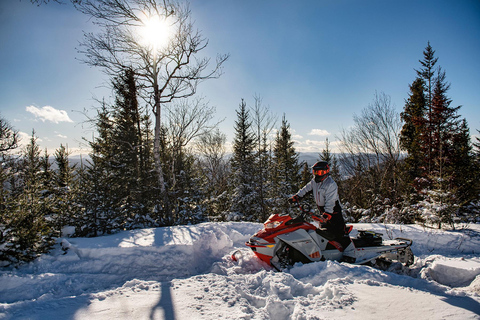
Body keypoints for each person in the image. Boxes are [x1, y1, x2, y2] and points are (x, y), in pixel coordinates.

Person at [289, 160, 347, 240]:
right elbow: (306, 189)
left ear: (326, 172)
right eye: (315, 172)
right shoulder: (314, 182)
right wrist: (297, 196)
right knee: (324, 232)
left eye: (319, 172)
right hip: (322, 209)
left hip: (333, 210)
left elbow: (331, 200)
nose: (317, 175)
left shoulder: (330, 184)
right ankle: (327, 249)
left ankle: (346, 249)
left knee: (338, 232)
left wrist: (327, 213)